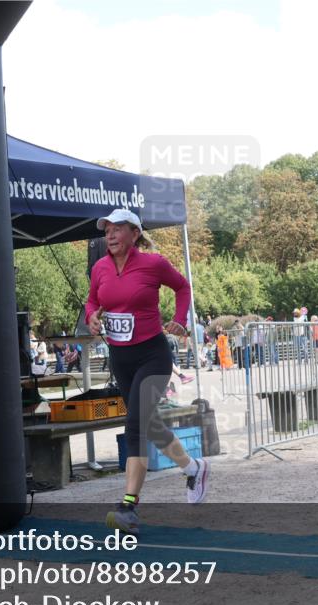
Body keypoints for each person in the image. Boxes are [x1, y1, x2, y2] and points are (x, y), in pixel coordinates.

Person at [85, 209, 209, 534]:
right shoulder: (100, 268)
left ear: (134, 233)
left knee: (136, 424)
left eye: (117, 229)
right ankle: (194, 467)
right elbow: (91, 301)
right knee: (150, 425)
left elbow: (182, 288)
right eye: (106, 230)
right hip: (120, 357)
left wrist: (180, 319)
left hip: (153, 356)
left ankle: (128, 506)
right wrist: (91, 318)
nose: (110, 235)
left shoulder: (153, 264)